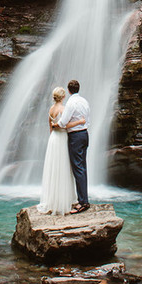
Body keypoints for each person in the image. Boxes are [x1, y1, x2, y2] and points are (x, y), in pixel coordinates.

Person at [37, 86, 76, 215]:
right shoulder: (63, 109)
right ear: (63, 96)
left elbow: (51, 127)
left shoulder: (51, 109)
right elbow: (65, 126)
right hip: (62, 138)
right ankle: (64, 201)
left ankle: (52, 200)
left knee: (53, 168)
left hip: (53, 139)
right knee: (63, 167)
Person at [56, 79, 91, 214]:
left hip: (75, 136)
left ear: (69, 90)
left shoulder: (71, 103)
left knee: (78, 168)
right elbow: (88, 120)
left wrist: (55, 124)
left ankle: (83, 202)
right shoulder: (84, 101)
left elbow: (63, 122)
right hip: (85, 134)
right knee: (82, 167)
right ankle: (84, 199)